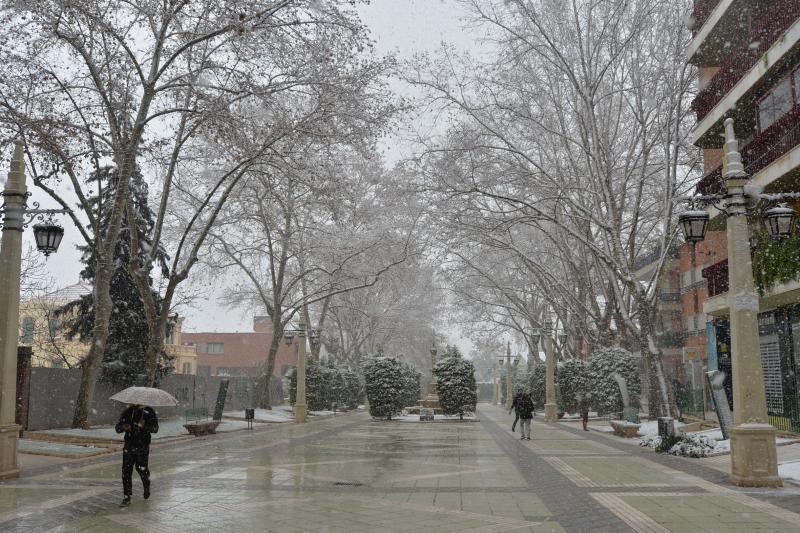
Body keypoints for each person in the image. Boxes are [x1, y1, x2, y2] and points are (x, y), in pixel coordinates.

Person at [115, 404, 159, 506]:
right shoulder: (128, 411)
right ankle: (127, 497)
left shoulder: (149, 411)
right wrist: (124, 427)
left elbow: (155, 428)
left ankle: (146, 484)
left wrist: (144, 426)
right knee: (126, 471)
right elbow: (117, 428)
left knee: (141, 469)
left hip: (142, 446)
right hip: (129, 446)